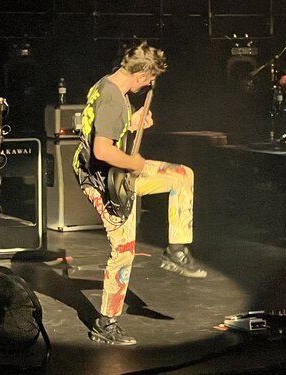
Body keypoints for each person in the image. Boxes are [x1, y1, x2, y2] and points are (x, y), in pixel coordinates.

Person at [72, 42, 207, 346]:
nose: (149, 84)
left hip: (115, 173)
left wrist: (132, 122)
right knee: (124, 250)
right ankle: (105, 324)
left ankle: (177, 251)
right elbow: (102, 149)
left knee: (182, 176)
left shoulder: (109, 85)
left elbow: (104, 129)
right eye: (149, 78)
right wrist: (135, 162)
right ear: (142, 72)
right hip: (103, 180)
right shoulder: (112, 98)